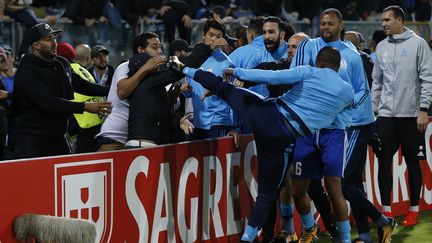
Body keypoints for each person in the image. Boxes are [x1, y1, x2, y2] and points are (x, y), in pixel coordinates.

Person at [173, 46, 354, 243]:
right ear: (337, 67)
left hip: (266, 116)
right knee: (267, 195)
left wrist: (238, 72)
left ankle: (182, 68)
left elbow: (272, 76)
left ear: (319, 63)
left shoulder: (309, 71)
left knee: (222, 87)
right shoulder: (347, 92)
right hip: (283, 137)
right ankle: (247, 239)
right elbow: (342, 115)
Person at [291, 8, 396, 243]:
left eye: (330, 24)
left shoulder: (351, 54)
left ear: (340, 26)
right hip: (321, 126)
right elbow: (296, 77)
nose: (325, 27)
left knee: (341, 183)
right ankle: (370, 233)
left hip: (355, 124)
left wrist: (343, 106)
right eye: (323, 24)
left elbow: (362, 90)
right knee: (348, 183)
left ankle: (379, 223)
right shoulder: (309, 47)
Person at [11, 23, 112, 159]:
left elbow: (83, 85)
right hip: (33, 140)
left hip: (58, 138)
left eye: (54, 38)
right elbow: (48, 102)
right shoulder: (27, 70)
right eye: (48, 39)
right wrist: (85, 107)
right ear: (36, 45)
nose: (54, 43)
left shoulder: (61, 63)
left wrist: (113, 90)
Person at [372, 5, 432, 227]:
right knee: (383, 161)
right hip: (386, 116)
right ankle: (386, 212)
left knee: (413, 162)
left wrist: (423, 109)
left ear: (399, 20)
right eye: (382, 21)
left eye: (387, 20)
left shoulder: (418, 44)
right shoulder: (381, 47)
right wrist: (374, 111)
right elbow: (376, 82)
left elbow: (427, 78)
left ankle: (413, 210)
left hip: (411, 115)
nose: (384, 24)